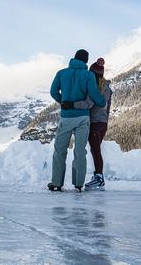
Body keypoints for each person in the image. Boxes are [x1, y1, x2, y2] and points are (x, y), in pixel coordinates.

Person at [47, 50, 106, 192]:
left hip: (66, 117)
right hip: (83, 118)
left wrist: (63, 102)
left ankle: (56, 183)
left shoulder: (61, 73)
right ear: (86, 61)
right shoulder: (88, 75)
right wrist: (102, 102)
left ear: (74, 58)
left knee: (60, 150)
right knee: (80, 151)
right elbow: (94, 93)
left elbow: (53, 91)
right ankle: (78, 184)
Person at [72, 57, 113, 191]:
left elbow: (88, 104)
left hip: (94, 123)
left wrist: (72, 105)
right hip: (103, 123)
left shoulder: (93, 87)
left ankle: (99, 178)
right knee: (96, 150)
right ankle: (98, 176)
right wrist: (105, 119)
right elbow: (108, 107)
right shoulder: (107, 88)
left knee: (95, 151)